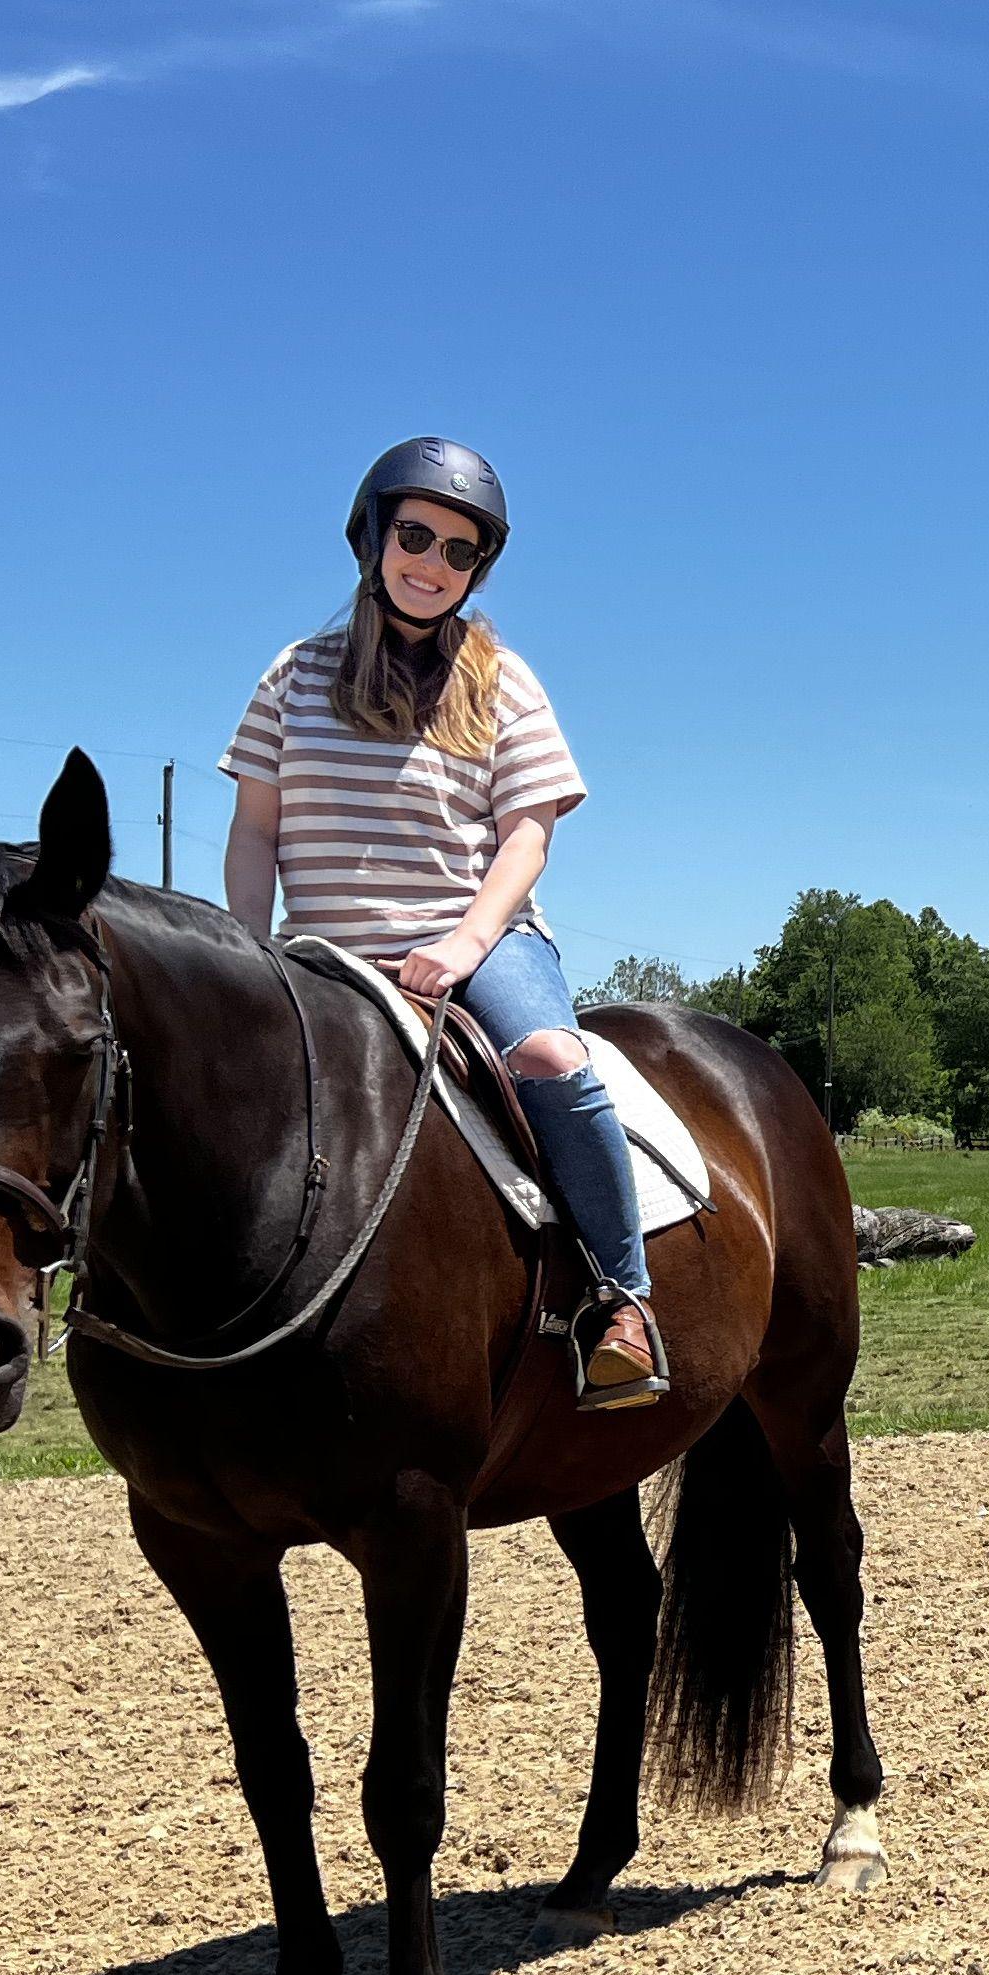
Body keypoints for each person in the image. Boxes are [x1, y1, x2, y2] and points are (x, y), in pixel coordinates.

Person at [222, 438, 668, 1409]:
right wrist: (248, 954)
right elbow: (255, 834)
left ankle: (620, 1302)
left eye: (458, 551)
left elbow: (527, 837)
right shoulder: (292, 679)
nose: (431, 564)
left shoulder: (504, 681)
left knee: (553, 1057)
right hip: (320, 956)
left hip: (478, 944)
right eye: (415, 536)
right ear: (373, 539)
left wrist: (465, 944)